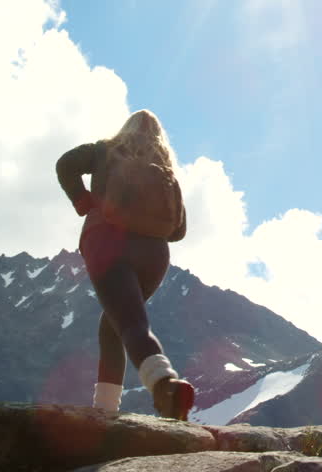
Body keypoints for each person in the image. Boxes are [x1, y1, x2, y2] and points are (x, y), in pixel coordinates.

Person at [55, 109, 195, 420]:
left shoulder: (105, 150)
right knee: (113, 326)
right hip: (155, 256)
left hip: (108, 243)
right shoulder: (166, 169)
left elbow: (65, 164)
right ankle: (106, 408)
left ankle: (165, 386)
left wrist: (84, 201)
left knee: (131, 325)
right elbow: (179, 230)